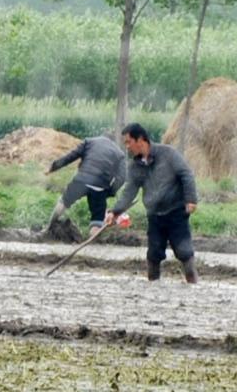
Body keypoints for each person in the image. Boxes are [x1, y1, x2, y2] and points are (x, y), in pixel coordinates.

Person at [106, 122, 201, 284]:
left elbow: (186, 174)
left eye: (129, 142)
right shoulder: (135, 166)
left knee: (184, 251)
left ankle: (194, 285)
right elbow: (129, 191)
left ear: (141, 140)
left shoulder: (168, 154)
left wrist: (191, 199)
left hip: (176, 212)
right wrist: (114, 212)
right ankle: (153, 287)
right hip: (155, 216)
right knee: (153, 254)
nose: (127, 147)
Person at [44, 131, 128, 239]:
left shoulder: (89, 142)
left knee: (64, 202)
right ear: (113, 141)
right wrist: (110, 192)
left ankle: (48, 227)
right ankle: (92, 239)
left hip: (81, 181)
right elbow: (122, 178)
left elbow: (70, 157)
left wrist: (53, 167)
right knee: (97, 218)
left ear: (101, 136)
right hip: (100, 187)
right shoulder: (119, 154)